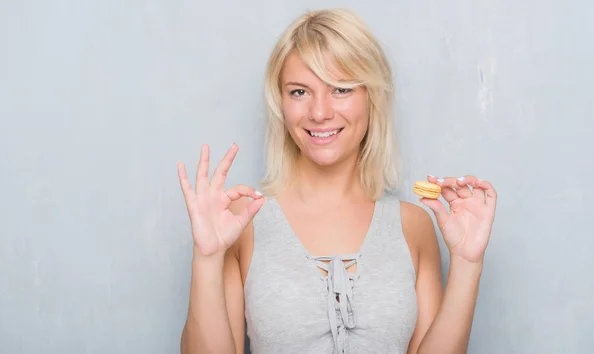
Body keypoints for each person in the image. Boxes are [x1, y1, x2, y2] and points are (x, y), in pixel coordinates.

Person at [177, 8, 497, 354]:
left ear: (371, 97)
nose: (319, 112)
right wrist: (207, 259)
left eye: (341, 89)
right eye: (299, 92)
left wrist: (467, 264)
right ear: (280, 103)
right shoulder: (242, 221)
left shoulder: (413, 226)